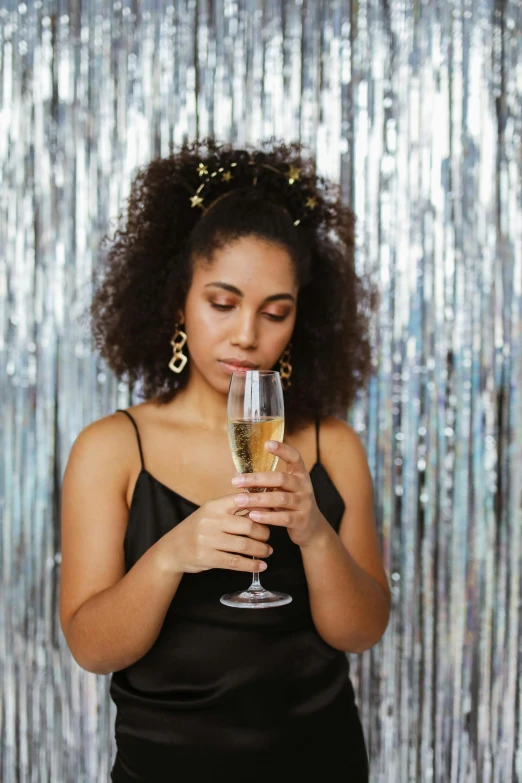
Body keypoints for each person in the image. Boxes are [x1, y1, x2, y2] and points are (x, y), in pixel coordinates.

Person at [59, 137, 390, 782]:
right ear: (178, 301)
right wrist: (172, 555)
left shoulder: (332, 446)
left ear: (300, 323)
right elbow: (92, 648)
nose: (246, 335)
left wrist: (315, 533)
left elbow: (362, 630)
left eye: (275, 313)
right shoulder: (111, 449)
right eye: (222, 303)